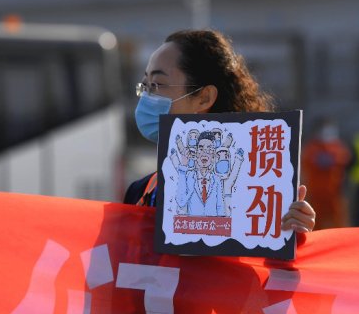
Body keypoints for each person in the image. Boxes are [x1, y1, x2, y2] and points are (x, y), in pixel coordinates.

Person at [124, 29, 315, 234]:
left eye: (157, 84)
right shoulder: (140, 192)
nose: (146, 97)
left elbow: (261, 253)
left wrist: (293, 236)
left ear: (204, 98)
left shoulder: (258, 196)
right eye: (145, 85)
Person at [301, 117, 351, 229]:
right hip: (316, 192)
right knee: (315, 221)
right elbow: (316, 161)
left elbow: (344, 159)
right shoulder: (311, 147)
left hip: (335, 192)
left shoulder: (338, 146)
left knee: (338, 221)